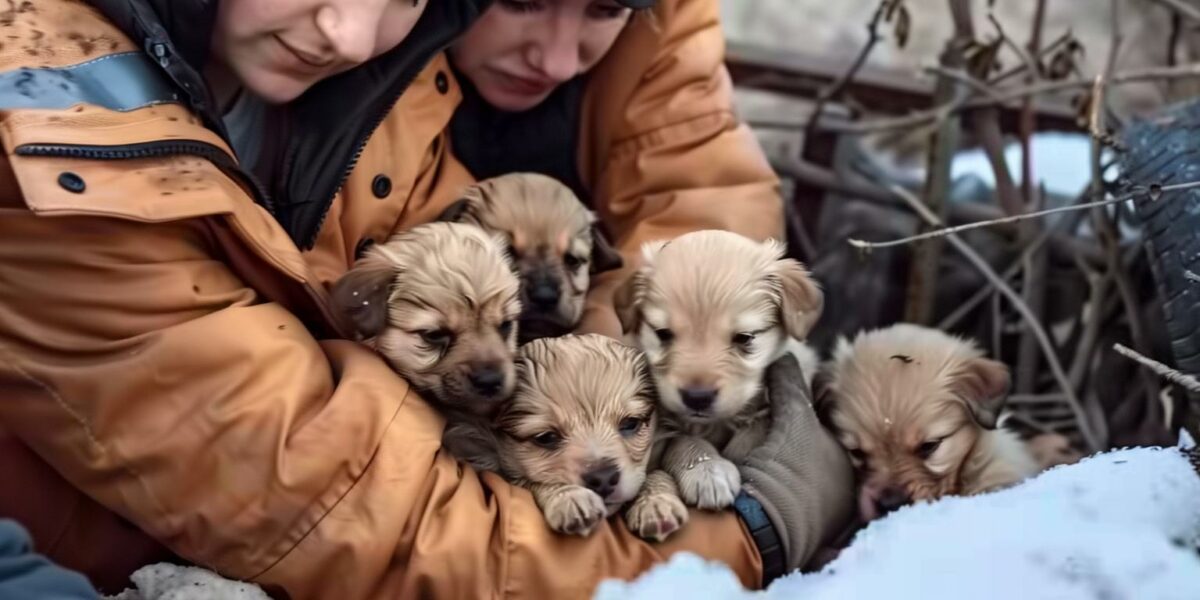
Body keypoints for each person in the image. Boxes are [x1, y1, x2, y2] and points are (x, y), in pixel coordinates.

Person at [0, 2, 853, 600]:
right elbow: (344, 500)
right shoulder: (53, 150)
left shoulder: (387, 82)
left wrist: (616, 400)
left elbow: (702, 198)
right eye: (519, 3)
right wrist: (744, 534)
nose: (350, 31)